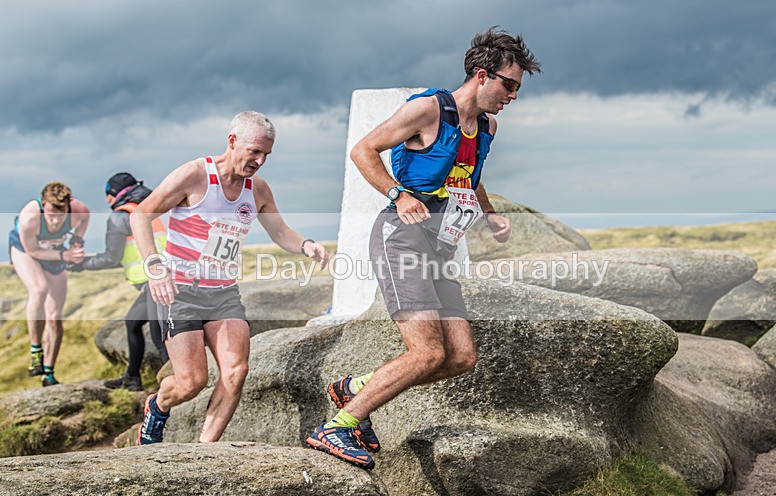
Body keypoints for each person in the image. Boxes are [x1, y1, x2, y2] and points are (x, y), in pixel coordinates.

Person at [306, 27, 542, 469]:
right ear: (481, 75)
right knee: (428, 352)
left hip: (439, 248)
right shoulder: (429, 109)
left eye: (517, 88)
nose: (512, 95)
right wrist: (399, 194)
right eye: (509, 84)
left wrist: (489, 214)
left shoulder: (486, 126)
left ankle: (356, 387)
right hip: (401, 237)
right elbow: (364, 150)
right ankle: (337, 427)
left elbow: (468, 173)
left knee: (460, 357)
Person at [130, 111, 329, 445]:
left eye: (266, 154)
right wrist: (155, 266)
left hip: (222, 292)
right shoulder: (194, 176)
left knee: (235, 372)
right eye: (254, 151)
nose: (260, 160)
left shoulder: (258, 190)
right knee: (190, 382)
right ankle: (157, 405)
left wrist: (307, 244)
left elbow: (280, 231)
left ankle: (205, 450)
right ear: (232, 141)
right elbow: (141, 214)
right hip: (180, 291)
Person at [69, 172, 169, 391]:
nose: (107, 200)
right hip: (160, 278)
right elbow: (126, 255)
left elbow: (111, 257)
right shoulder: (147, 211)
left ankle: (174, 386)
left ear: (117, 195)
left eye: (109, 194)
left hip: (155, 282)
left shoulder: (120, 216)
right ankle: (133, 377)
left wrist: (81, 264)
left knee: (159, 337)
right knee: (133, 322)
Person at [8, 181, 90, 387]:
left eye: (60, 215)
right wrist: (65, 254)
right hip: (26, 251)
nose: (54, 221)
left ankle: (49, 373)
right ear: (43, 204)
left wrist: (76, 242)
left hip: (55, 250)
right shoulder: (29, 219)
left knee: (54, 317)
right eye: (50, 214)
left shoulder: (78, 210)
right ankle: (36, 350)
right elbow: (34, 251)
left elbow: (85, 218)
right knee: (39, 289)